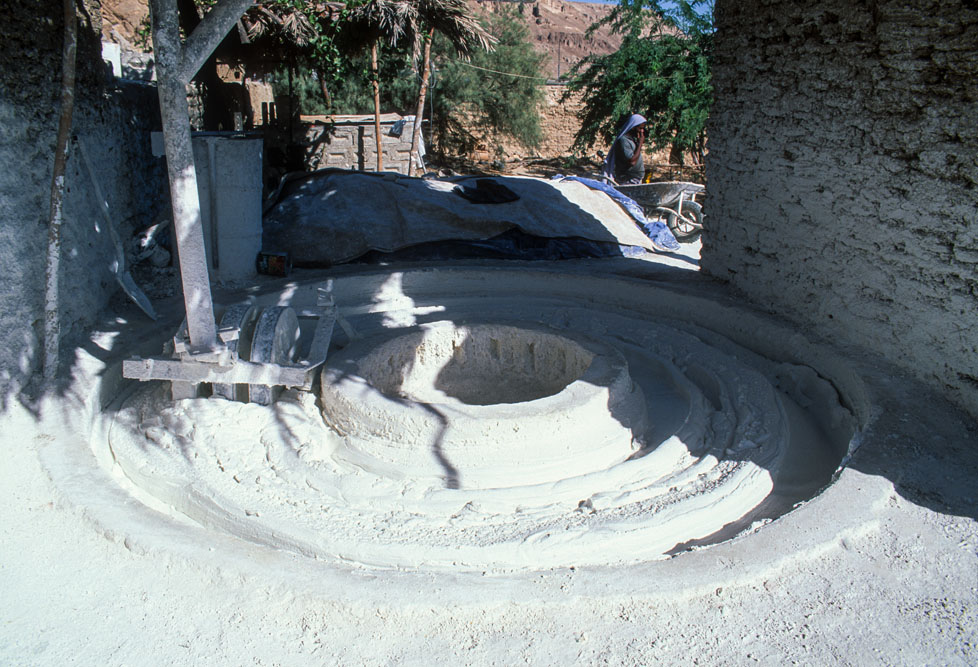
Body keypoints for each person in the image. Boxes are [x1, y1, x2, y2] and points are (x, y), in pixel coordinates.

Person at [603, 113, 647, 184]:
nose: (642, 131)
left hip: (635, 177)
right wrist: (640, 144)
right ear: (633, 127)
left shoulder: (632, 139)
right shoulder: (623, 141)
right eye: (640, 128)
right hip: (628, 178)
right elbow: (632, 162)